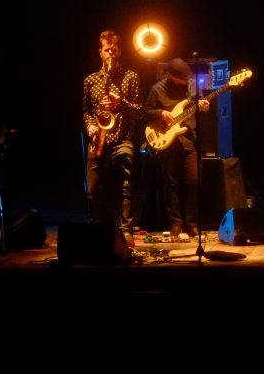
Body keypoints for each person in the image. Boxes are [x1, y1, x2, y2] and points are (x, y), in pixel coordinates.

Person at [82, 30, 143, 242]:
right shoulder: (90, 80)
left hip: (122, 138)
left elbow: (139, 111)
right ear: (100, 52)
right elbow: (87, 111)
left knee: (127, 184)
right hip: (98, 139)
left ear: (120, 51)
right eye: (107, 50)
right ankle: (110, 229)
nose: (111, 54)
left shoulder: (131, 77)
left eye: (114, 50)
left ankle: (127, 230)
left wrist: (121, 103)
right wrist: (90, 125)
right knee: (92, 189)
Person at [144, 57, 210, 238]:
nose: (186, 81)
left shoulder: (192, 86)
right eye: (182, 78)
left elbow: (200, 103)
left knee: (194, 182)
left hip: (189, 139)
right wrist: (161, 113)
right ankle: (175, 223)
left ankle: (192, 223)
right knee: (170, 184)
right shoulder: (157, 89)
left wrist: (203, 106)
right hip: (167, 141)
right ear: (171, 76)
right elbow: (146, 111)